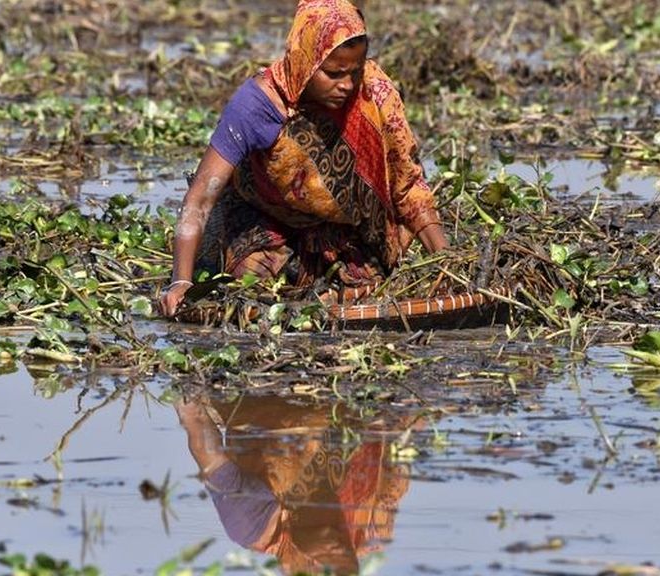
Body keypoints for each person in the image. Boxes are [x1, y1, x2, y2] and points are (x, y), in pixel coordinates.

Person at [159, 0, 449, 317]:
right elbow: (201, 196)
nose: (346, 85)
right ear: (306, 61)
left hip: (344, 230)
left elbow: (408, 187)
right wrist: (180, 282)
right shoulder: (259, 104)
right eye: (333, 74)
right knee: (253, 278)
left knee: (370, 283)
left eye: (354, 71)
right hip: (266, 218)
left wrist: (447, 263)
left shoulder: (375, 93)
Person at [175, 396, 414, 575]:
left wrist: (185, 395)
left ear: (291, 569)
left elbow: (210, 454)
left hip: (265, 394)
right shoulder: (371, 530)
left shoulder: (254, 525)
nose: (339, 555)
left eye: (322, 571)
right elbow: (404, 436)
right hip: (353, 393)